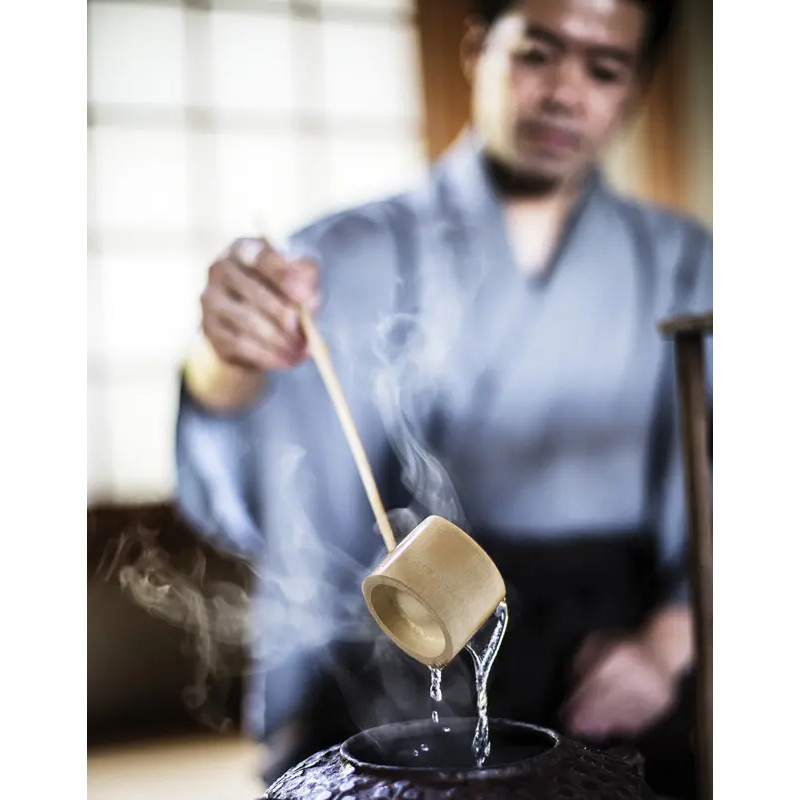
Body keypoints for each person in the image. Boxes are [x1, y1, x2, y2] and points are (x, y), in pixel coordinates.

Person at [176, 0, 712, 797]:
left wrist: (670, 643)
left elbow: (737, 488)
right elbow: (263, 491)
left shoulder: (688, 262)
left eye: (604, 68)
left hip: (619, 635)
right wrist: (227, 358)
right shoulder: (339, 253)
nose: (565, 92)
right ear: (475, 48)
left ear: (634, 89)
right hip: (398, 632)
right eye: (537, 53)